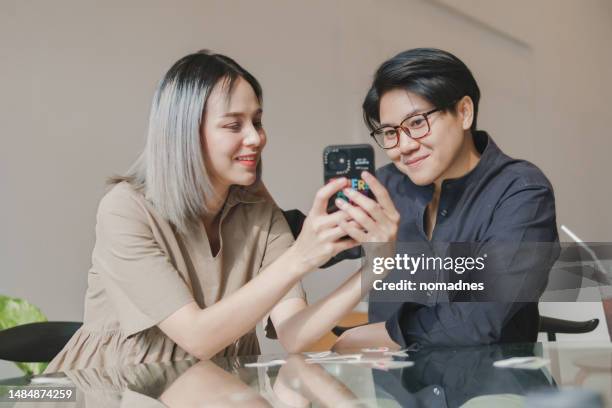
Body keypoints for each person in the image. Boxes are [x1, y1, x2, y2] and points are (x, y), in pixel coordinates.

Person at [45, 50, 399, 373]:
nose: (256, 138)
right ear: (184, 133)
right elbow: (198, 339)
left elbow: (294, 334)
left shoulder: (257, 209)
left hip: (218, 387)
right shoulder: (125, 210)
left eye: (257, 122)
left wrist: (376, 265)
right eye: (234, 125)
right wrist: (302, 255)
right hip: (116, 385)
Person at [333, 48, 560, 350]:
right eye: (390, 132)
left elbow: (480, 316)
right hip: (396, 392)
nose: (404, 146)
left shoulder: (521, 191)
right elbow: (313, 244)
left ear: (464, 112)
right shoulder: (385, 186)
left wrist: (375, 335)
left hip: (493, 390)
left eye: (416, 123)